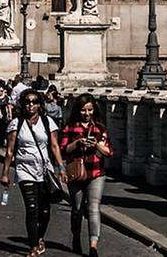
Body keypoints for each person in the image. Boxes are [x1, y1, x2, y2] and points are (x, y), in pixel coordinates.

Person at [1, 89, 66, 257]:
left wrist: (61, 167)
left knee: (44, 211)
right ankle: (33, 246)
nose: (31, 105)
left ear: (39, 104)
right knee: (31, 209)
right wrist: (5, 173)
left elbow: (54, 146)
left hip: (45, 171)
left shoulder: (48, 122)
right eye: (27, 102)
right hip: (24, 170)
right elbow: (9, 151)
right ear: (23, 104)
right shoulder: (16, 123)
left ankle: (40, 237)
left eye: (34, 102)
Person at [61, 94, 113, 257]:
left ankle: (93, 246)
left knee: (93, 208)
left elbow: (109, 152)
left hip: (96, 172)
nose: (86, 113)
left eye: (89, 110)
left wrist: (96, 145)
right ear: (78, 110)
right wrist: (77, 143)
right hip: (76, 172)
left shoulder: (100, 128)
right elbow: (63, 150)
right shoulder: (69, 127)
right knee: (77, 208)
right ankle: (76, 236)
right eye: (83, 110)